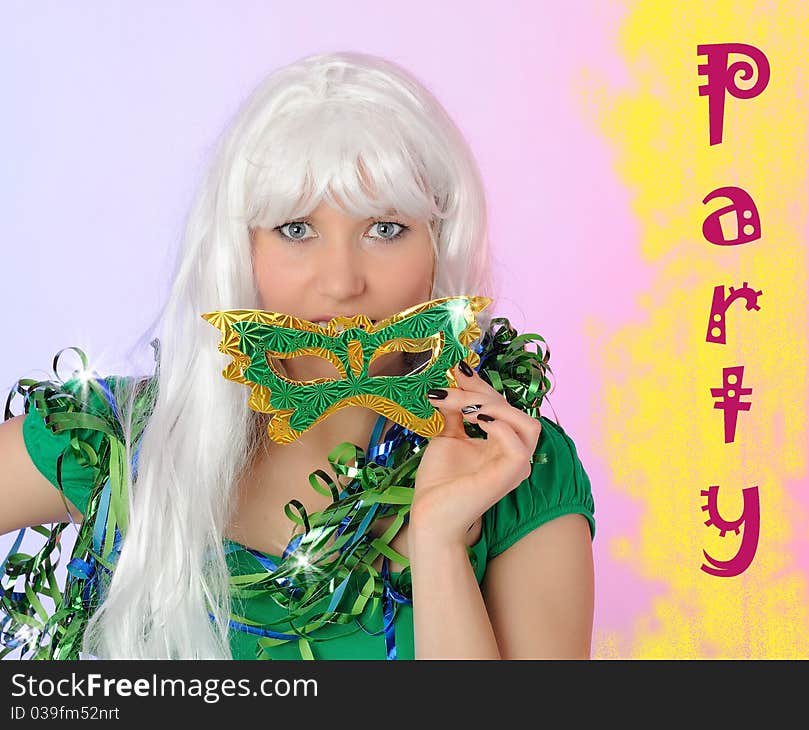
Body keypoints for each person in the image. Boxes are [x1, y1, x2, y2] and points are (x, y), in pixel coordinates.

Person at [0, 51, 596, 660]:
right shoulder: (118, 437)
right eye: (296, 229)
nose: (341, 283)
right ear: (242, 250)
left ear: (440, 248)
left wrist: (441, 542)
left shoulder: (520, 469)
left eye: (385, 228)